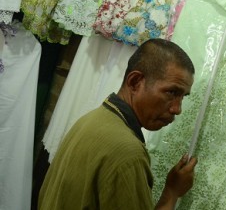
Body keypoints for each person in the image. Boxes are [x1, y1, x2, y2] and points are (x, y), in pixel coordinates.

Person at [38, 39, 198, 210]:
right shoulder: (127, 152)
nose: (177, 109)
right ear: (135, 82)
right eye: (171, 92)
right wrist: (171, 193)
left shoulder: (93, 119)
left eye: (183, 97)